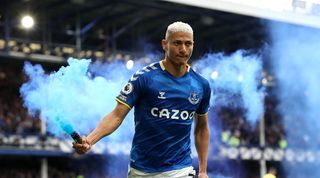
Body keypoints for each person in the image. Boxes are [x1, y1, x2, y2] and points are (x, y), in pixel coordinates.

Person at [73, 21, 211, 178]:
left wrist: (203, 171)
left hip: (180, 169)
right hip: (141, 170)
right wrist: (90, 140)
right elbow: (117, 115)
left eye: (188, 44)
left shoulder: (201, 84)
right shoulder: (144, 78)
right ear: (165, 44)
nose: (183, 49)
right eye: (177, 43)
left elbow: (201, 129)